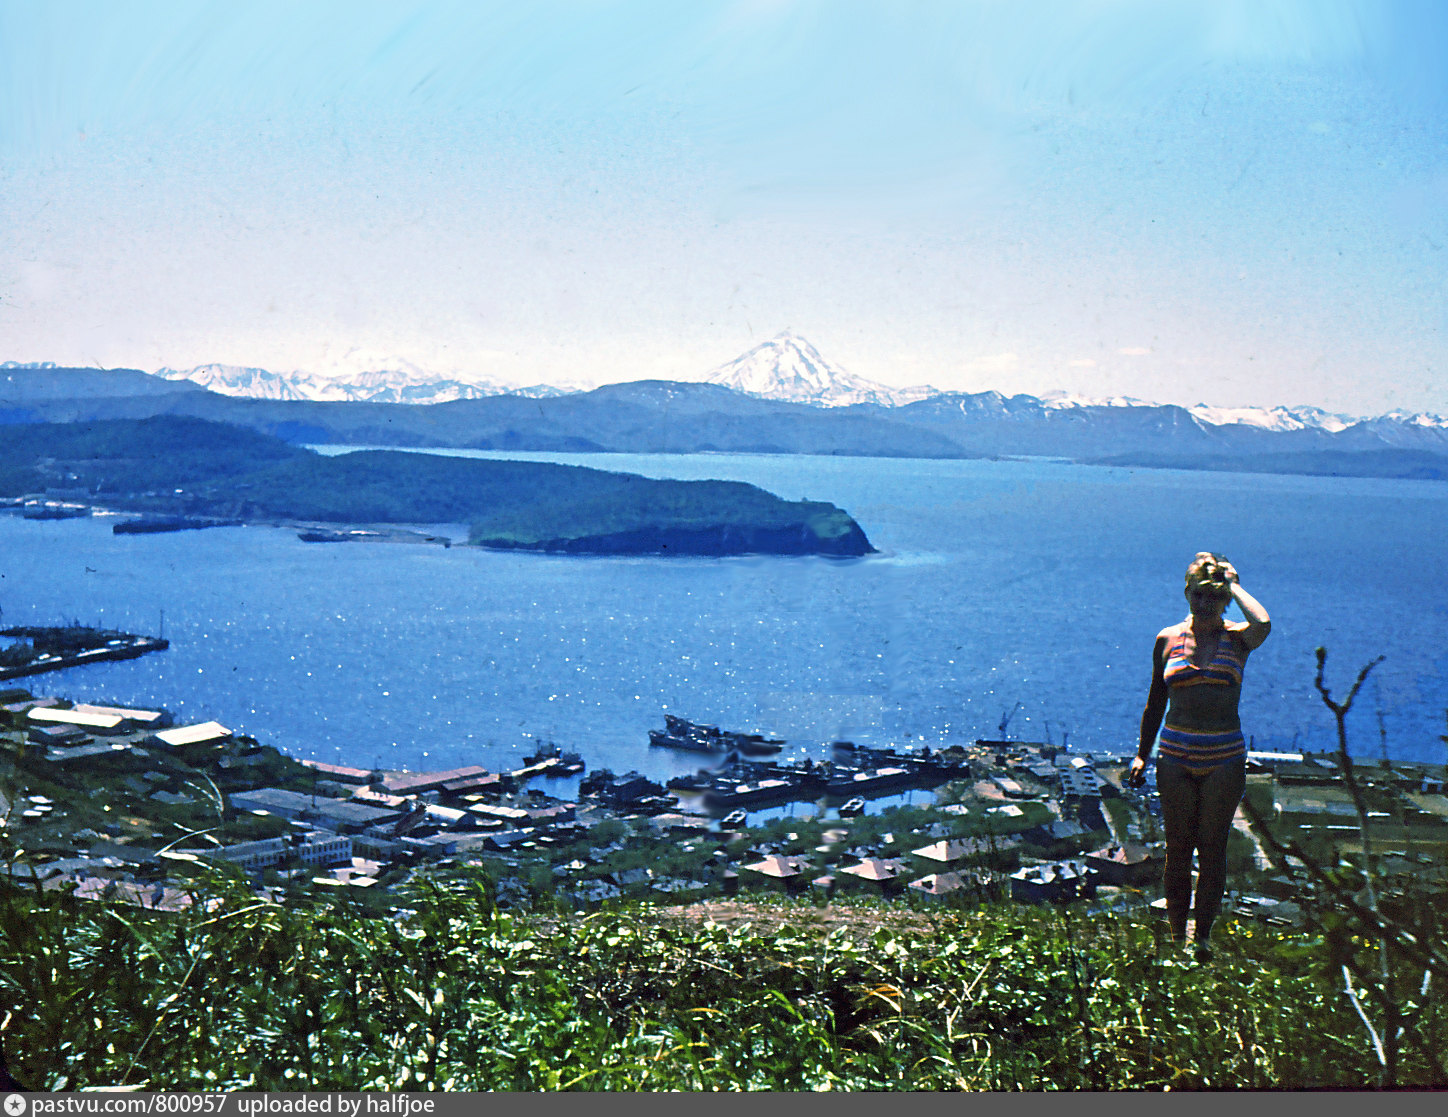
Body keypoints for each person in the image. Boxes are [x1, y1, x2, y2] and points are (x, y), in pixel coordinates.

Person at [1128, 552, 1271, 958]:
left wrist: (1235, 583)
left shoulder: (1239, 637)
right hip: (1174, 753)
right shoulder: (1167, 638)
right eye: (1197, 594)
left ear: (1224, 597)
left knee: (1213, 848)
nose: (1204, 602)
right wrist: (1142, 754)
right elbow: (1155, 700)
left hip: (1223, 754)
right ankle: (1177, 939)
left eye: (1213, 595)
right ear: (1186, 592)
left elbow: (1264, 623)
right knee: (1178, 849)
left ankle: (1202, 939)